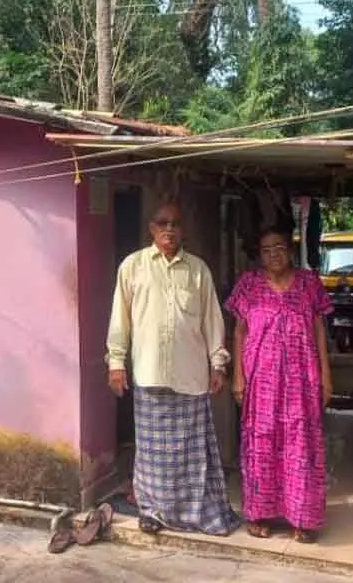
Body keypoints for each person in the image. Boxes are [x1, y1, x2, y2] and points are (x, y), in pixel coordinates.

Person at [106, 201, 240, 537]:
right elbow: (120, 320)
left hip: (190, 377)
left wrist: (218, 364)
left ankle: (192, 512)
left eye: (175, 223)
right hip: (149, 375)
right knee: (152, 456)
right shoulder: (133, 267)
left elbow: (212, 321)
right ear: (151, 228)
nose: (169, 229)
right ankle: (152, 511)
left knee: (190, 456)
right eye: (162, 222)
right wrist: (116, 362)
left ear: (184, 230)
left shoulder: (198, 270)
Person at [226, 226, 333, 544]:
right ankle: (260, 514)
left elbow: (319, 331)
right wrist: (238, 376)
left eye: (280, 247)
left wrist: (326, 375)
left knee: (301, 445)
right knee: (262, 444)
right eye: (267, 250)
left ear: (291, 250)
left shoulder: (309, 283)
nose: (274, 254)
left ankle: (303, 518)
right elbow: (239, 332)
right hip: (261, 381)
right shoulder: (248, 285)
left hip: (302, 380)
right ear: (259, 256)